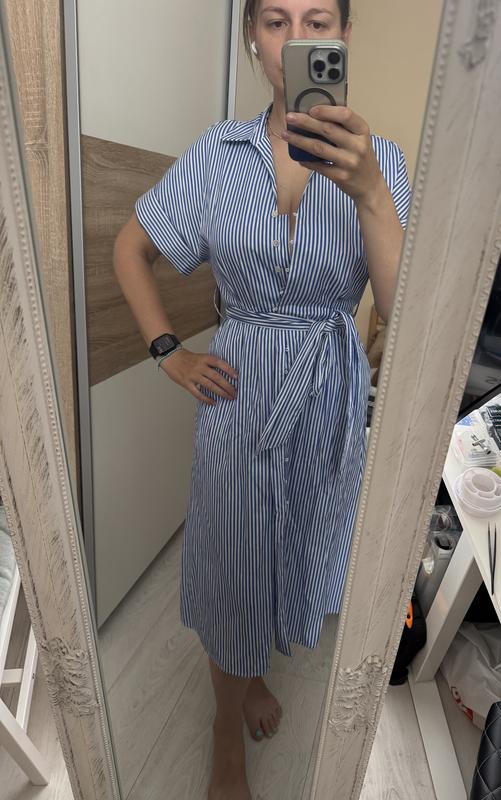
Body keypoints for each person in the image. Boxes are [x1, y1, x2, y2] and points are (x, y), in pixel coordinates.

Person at [113, 1, 411, 797]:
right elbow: (130, 249)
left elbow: (404, 310)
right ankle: (225, 722)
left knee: (292, 544)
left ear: (344, 36)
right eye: (276, 21)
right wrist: (168, 351)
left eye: (318, 20)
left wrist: (370, 193)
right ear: (252, 36)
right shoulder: (217, 154)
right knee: (232, 560)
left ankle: (253, 675)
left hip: (327, 388)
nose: (297, 39)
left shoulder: (380, 161)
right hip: (239, 388)